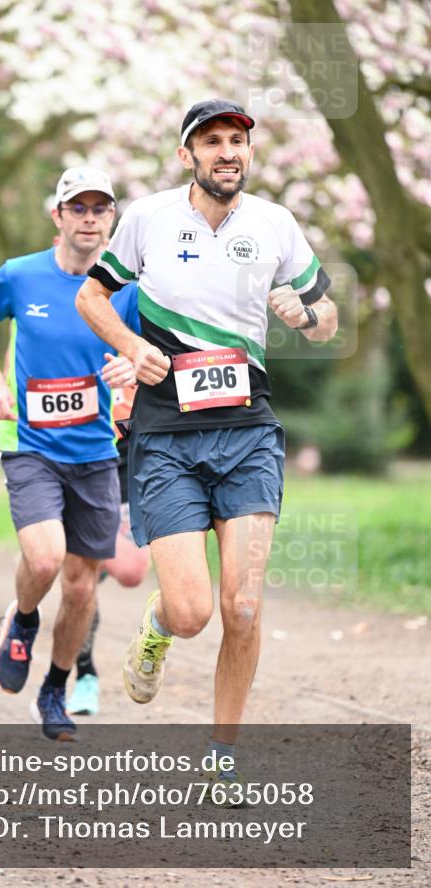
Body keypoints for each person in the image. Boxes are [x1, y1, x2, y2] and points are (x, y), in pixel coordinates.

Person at [76, 99, 338, 789]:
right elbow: (91, 298)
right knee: (192, 612)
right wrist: (132, 346)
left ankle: (223, 756)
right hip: (166, 438)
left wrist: (306, 314)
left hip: (247, 434)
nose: (227, 152)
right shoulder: (148, 218)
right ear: (186, 154)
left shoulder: (275, 224)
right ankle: (158, 629)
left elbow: (327, 317)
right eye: (212, 141)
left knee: (242, 608)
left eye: (237, 141)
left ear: (249, 153)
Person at [0, 166, 140, 740]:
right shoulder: (19, 275)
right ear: (58, 216)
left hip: (96, 450)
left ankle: (55, 689)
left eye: (99, 208)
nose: (89, 219)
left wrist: (130, 368)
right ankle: (22, 620)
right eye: (78, 208)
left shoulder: (128, 292)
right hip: (30, 444)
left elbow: (144, 357)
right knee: (45, 561)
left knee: (82, 586)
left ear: (111, 218)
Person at [67, 384, 150, 716]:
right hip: (79, 456)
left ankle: (74, 554)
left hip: (130, 462)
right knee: (80, 579)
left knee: (131, 572)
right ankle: (85, 675)